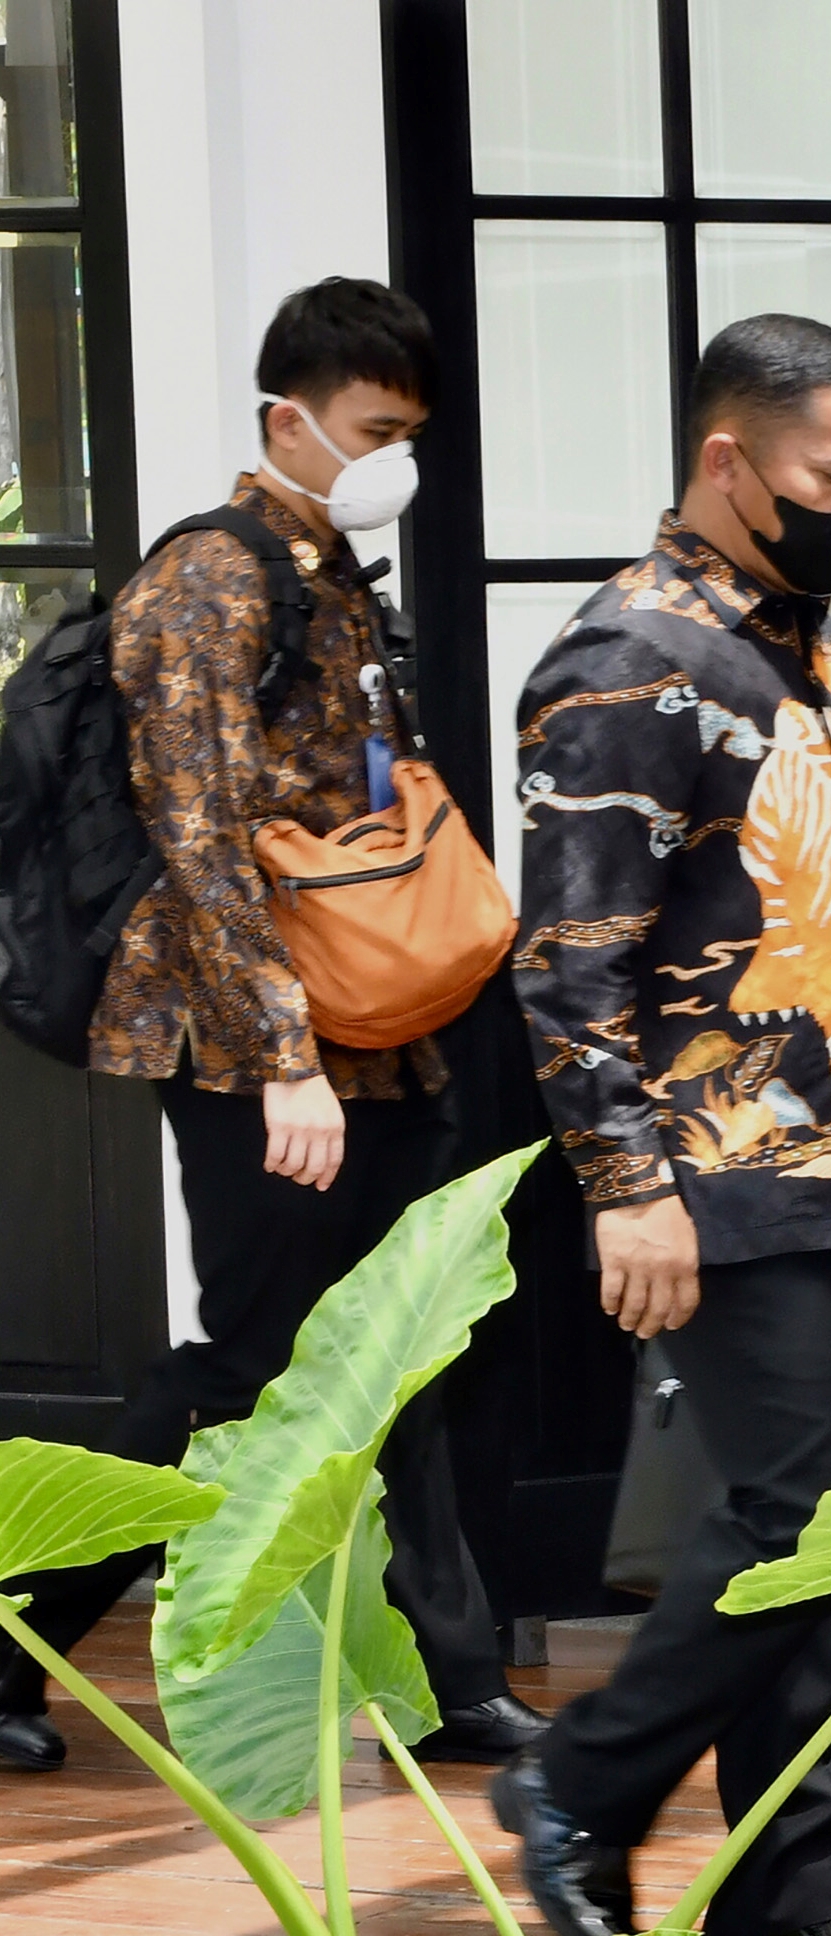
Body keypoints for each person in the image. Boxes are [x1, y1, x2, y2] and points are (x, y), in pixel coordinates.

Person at [488, 313, 831, 1936]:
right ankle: (581, 1781)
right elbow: (570, 958)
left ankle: (780, 1889)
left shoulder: (813, 653)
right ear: (726, 459)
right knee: (806, 1506)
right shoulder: (627, 657)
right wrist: (630, 1187)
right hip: (721, 1166)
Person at [0, 278, 542, 1780]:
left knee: (413, 1350)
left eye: (411, 433)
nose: (396, 462)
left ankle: (451, 1679)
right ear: (284, 420)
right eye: (375, 431)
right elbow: (199, 829)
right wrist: (286, 1055)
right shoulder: (209, 580)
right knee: (248, 1366)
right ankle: (10, 1627)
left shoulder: (335, 570)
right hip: (255, 1044)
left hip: (383, 1025)